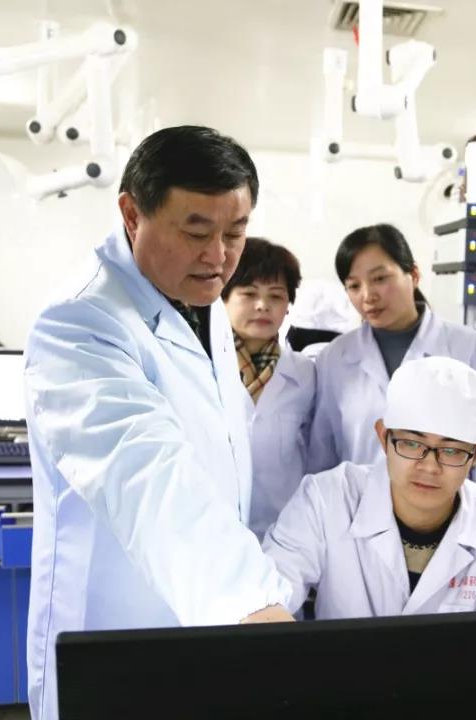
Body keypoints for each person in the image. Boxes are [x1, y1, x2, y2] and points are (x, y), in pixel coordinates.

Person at [23, 126, 293, 720]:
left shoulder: (201, 300)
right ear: (131, 214)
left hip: (202, 619)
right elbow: (148, 475)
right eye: (196, 232)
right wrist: (253, 604)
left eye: (235, 232)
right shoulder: (79, 324)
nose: (218, 256)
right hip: (114, 632)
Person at [264, 356, 476, 618]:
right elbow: (269, 592)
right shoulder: (327, 499)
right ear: (383, 437)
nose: (429, 467)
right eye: (411, 444)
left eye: (451, 450)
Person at [307, 223, 476, 509]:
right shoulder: (335, 358)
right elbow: (321, 459)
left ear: (413, 275)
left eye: (380, 278)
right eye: (354, 286)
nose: (368, 295)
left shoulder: (469, 350)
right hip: (356, 518)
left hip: (451, 522)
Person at [221, 237, 316, 538]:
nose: (262, 305)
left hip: (283, 531)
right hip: (214, 530)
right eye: (249, 294)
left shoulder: (306, 374)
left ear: (288, 307)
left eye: (276, 296)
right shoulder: (201, 365)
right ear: (223, 298)